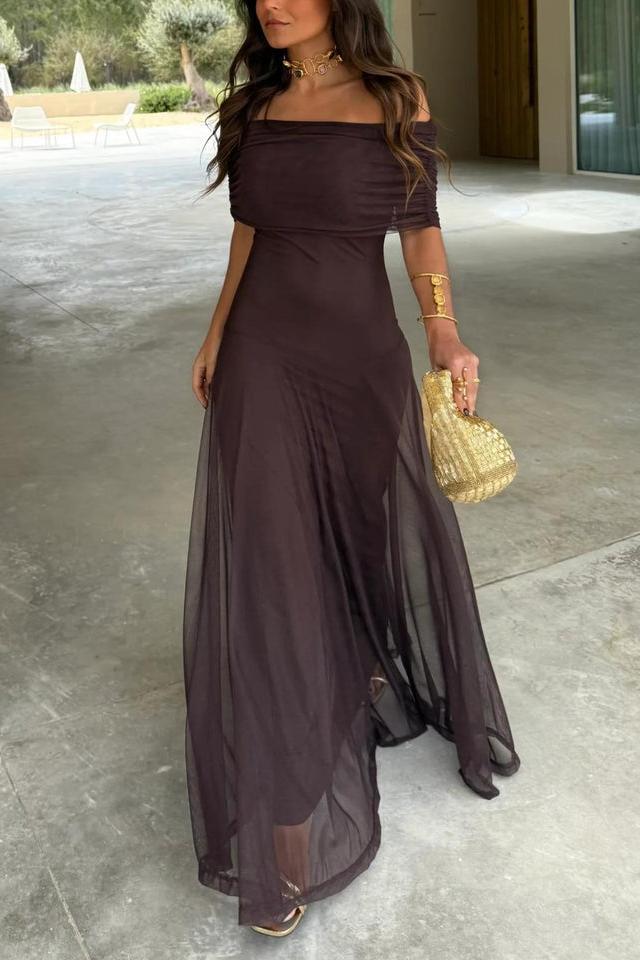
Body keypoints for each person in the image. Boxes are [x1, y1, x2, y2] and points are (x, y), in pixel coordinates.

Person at [182, 0, 521, 938]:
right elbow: (248, 232)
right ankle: (290, 816)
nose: (271, 4)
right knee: (276, 575)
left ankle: (362, 665)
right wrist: (216, 333)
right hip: (262, 358)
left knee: (360, 538)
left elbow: (419, 226)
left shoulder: (395, 97)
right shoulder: (254, 106)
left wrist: (443, 332)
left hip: (362, 359)